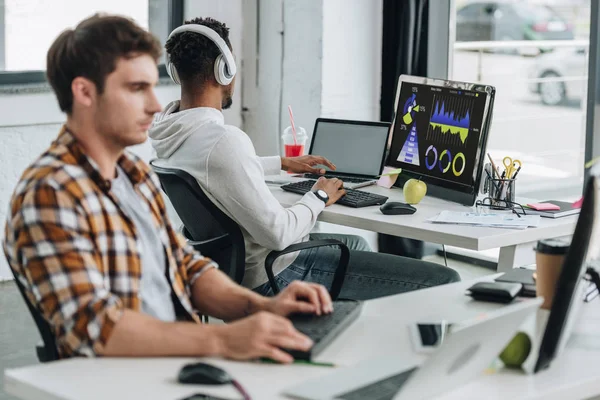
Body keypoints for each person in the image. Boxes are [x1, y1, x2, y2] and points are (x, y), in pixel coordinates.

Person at [2, 14, 334, 363]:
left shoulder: (130, 174)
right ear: (84, 92)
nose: (156, 105)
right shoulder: (50, 194)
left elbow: (183, 265)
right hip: (128, 381)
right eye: (136, 88)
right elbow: (97, 328)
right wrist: (224, 339)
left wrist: (262, 306)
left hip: (177, 361)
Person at [149, 17, 460, 300]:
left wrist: (281, 163)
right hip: (275, 274)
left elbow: (213, 169)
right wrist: (319, 195)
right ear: (225, 69)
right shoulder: (224, 141)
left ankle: (341, 328)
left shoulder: (172, 131)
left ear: (176, 72)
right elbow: (279, 232)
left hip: (227, 269)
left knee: (357, 245)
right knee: (446, 278)